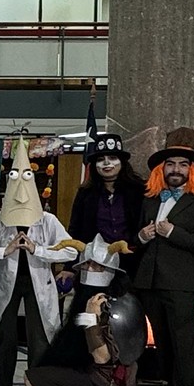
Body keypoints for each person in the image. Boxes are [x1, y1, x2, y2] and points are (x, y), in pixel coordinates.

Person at [0, 138, 76, 386]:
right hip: (8, 285)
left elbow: (71, 251)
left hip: (39, 284)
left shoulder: (48, 221)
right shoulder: (0, 219)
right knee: (3, 336)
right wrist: (2, 251)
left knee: (40, 337)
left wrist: (38, 250)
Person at [131, 127, 194, 386]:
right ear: (162, 168)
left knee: (184, 340)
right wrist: (142, 237)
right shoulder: (149, 200)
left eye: (183, 164)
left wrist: (174, 233)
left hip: (180, 282)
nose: (176, 169)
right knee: (164, 339)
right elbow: (135, 241)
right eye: (171, 164)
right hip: (149, 280)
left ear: (192, 170)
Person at [27, 289, 160, 386]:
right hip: (122, 382)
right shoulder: (128, 306)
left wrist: (91, 317)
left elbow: (102, 357)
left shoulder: (107, 316)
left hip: (104, 384)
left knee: (31, 380)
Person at [65, 125, 145, 294]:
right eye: (101, 159)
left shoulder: (139, 190)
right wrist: (69, 267)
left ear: (122, 162)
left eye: (112, 157)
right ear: (94, 165)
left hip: (132, 264)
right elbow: (75, 229)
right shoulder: (85, 194)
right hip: (95, 264)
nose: (107, 163)